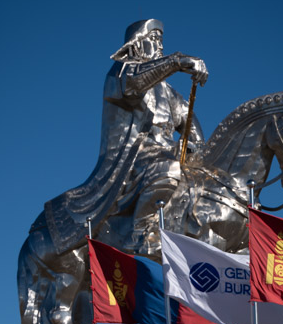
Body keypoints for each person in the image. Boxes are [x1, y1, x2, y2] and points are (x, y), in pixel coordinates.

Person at [41, 19, 208, 256]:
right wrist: (177, 61)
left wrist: (195, 147)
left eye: (161, 40)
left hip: (166, 150)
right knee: (167, 168)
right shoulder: (121, 73)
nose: (160, 45)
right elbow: (136, 82)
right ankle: (140, 234)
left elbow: (190, 125)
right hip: (133, 156)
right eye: (153, 40)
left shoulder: (171, 93)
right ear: (136, 46)